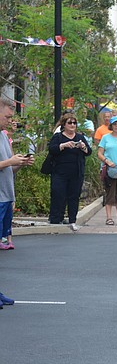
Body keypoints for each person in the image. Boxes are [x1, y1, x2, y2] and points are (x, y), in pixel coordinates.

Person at [0, 96, 35, 255]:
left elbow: (9, 167)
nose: (10, 121)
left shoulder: (4, 136)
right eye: (7, 117)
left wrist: (19, 163)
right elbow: (7, 163)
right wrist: (10, 162)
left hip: (7, 196)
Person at [48, 112, 92, 230]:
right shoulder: (58, 137)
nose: (72, 125)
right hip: (59, 172)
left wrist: (83, 147)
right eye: (70, 123)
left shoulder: (80, 137)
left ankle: (72, 219)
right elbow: (52, 149)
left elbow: (89, 152)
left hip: (76, 173)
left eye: (74, 123)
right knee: (58, 195)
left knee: (74, 197)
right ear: (64, 124)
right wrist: (63, 145)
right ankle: (56, 219)